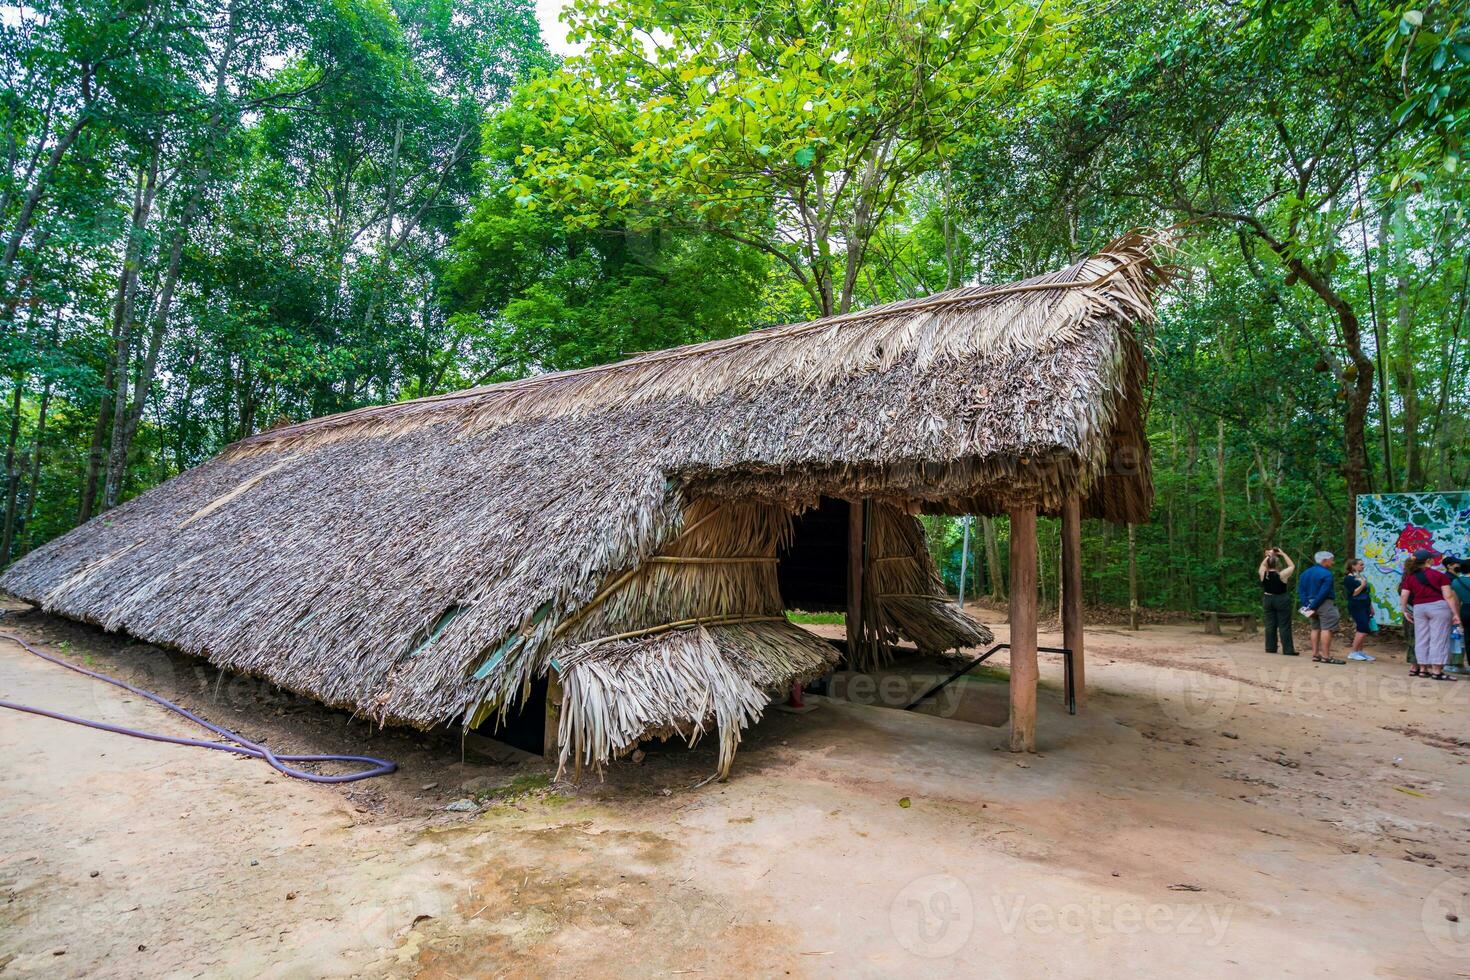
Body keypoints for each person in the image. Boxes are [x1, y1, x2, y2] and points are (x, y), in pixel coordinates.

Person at [1399, 549, 1463, 680]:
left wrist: (1404, 610)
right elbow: (1448, 596)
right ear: (1428, 560)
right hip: (1438, 608)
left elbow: (1404, 594)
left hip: (1419, 608)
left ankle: (1422, 669)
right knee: (1438, 639)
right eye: (1432, 558)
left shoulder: (1410, 577)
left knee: (1422, 638)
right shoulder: (1439, 576)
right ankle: (1437, 671)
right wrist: (1455, 613)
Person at [1298, 551, 1344, 664]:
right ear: (1324, 560)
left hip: (1309, 603)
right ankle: (1326, 656)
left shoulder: (1305, 573)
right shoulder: (1327, 573)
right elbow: (1324, 592)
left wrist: (1307, 605)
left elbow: (1301, 590)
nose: (1333, 562)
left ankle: (1315, 654)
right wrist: (1313, 606)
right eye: (1331, 560)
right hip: (1324, 603)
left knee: (1315, 628)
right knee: (1326, 628)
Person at [1258, 546, 1296, 655]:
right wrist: (1282, 553)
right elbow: (1292, 565)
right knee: (1284, 625)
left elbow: (1262, 565)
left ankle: (1270, 647)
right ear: (1278, 564)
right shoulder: (1282, 575)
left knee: (1270, 624)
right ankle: (1288, 650)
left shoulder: (1263, 573)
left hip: (1268, 599)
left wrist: (1269, 556)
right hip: (1281, 599)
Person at [1342, 558, 1376, 661]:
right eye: (1361, 565)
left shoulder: (1361, 577)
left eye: (1363, 564)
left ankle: (1360, 651)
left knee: (1363, 628)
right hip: (1356, 605)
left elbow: (1366, 593)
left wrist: (1370, 607)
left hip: (1365, 604)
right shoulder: (1349, 579)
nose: (1363, 566)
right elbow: (1353, 593)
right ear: (1353, 566)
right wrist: (1362, 585)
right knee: (1363, 628)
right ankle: (1353, 652)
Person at [1444, 556, 1470, 672]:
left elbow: (1456, 602)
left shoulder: (1456, 582)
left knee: (1467, 639)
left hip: (1465, 610)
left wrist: (1457, 616)